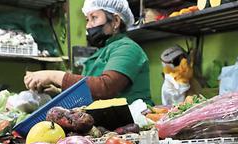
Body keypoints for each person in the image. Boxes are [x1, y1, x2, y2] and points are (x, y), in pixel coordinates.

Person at [24, 0, 152, 105]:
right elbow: (91, 93)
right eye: (87, 19)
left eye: (94, 18)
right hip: (112, 122)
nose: (88, 26)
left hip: (134, 122)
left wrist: (53, 76)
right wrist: (57, 92)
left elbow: (105, 87)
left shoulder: (127, 48)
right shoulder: (102, 51)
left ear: (115, 21)